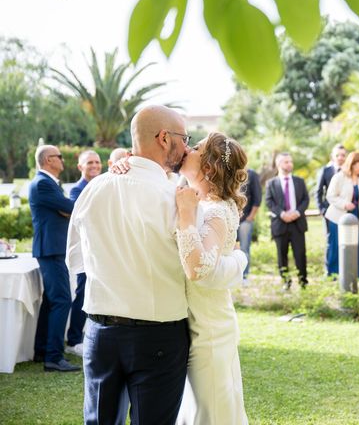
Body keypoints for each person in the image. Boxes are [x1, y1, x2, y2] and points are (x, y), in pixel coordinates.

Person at [67, 105, 247, 424]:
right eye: (185, 138)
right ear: (164, 138)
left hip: (100, 332)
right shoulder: (178, 201)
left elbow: (75, 260)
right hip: (158, 335)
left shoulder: (94, 189)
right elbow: (197, 267)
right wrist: (239, 259)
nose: (187, 146)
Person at [174, 133, 249, 424]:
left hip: (209, 332)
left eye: (196, 148)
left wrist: (185, 216)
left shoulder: (216, 210)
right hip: (194, 325)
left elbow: (198, 269)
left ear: (208, 166)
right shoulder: (198, 200)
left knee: (211, 413)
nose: (187, 149)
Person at [29, 145, 79, 372]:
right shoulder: (43, 183)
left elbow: (67, 210)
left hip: (51, 249)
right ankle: (53, 357)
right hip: (50, 250)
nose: (62, 160)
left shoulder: (47, 183)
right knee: (62, 300)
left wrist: (66, 210)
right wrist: (67, 209)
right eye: (59, 156)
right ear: (49, 160)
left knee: (51, 301)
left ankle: (42, 350)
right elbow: (71, 206)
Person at [66, 150, 102, 358]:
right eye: (89, 163)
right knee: (82, 293)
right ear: (80, 167)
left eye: (97, 162)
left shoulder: (104, 184)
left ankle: (87, 335)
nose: (94, 166)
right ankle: (73, 339)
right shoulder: (76, 190)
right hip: (87, 252)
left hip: (101, 252)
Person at [325, 152, 359, 279]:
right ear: (352, 164)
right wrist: (344, 204)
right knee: (337, 246)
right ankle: (335, 276)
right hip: (338, 217)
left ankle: (355, 276)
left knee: (355, 246)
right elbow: (330, 196)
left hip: (357, 217)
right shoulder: (339, 177)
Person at [265, 152, 310, 289]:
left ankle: (303, 281)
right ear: (279, 164)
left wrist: (297, 212)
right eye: (286, 162)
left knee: (300, 254)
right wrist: (282, 214)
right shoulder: (271, 183)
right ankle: (286, 281)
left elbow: (305, 200)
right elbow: (269, 201)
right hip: (280, 224)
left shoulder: (299, 181)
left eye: (291, 161)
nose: (290, 164)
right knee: (281, 255)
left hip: (297, 224)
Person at [316, 144, 347, 273]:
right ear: (332, 157)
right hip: (330, 212)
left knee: (346, 240)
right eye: (337, 155)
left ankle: (344, 268)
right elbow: (318, 192)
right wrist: (322, 210)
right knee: (331, 240)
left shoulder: (349, 171)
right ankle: (330, 271)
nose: (340, 158)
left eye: (343, 155)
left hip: (347, 212)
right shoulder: (326, 170)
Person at [238, 168, 262, 283]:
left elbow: (257, 198)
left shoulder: (251, 174)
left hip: (245, 220)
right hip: (230, 219)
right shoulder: (228, 171)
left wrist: (251, 217)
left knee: (244, 248)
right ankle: (233, 276)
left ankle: (244, 276)